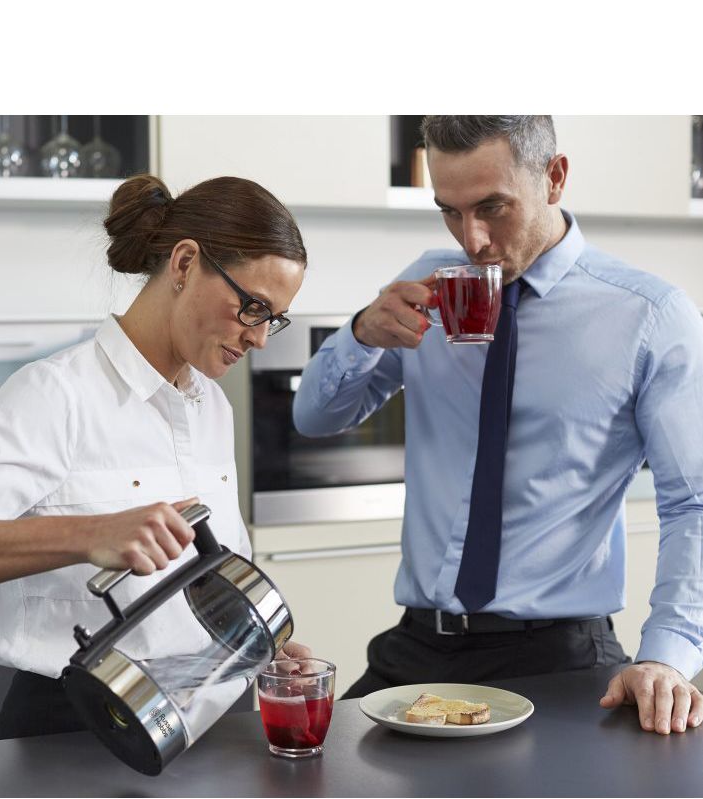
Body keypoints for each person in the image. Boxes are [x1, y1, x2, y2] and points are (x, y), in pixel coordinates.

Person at [293, 115, 703, 735]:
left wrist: (667, 656)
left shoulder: (649, 316)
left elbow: (691, 503)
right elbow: (316, 417)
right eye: (450, 212)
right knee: (304, 770)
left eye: (492, 208)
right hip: (417, 647)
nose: (473, 239)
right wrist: (360, 335)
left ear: (555, 177)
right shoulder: (430, 285)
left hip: (558, 656)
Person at [0, 174, 309, 739]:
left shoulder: (211, 408)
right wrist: (88, 534)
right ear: (184, 264)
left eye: (274, 318)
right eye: (253, 307)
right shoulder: (58, 394)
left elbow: (199, 591)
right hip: (75, 734)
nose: (260, 338)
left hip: (204, 731)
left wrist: (256, 649)